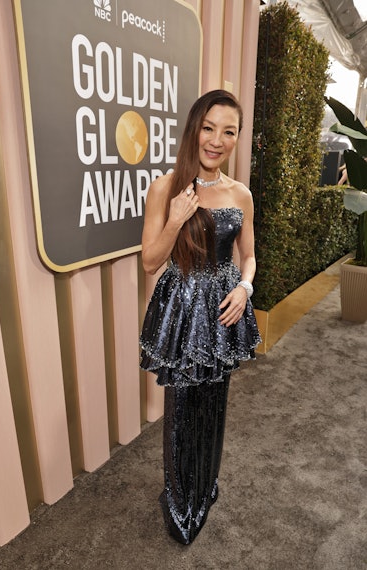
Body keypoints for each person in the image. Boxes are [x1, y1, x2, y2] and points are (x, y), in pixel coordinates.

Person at [140, 89, 261, 545]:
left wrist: (245, 288)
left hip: (223, 311)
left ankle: (204, 486)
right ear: (194, 128)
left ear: (236, 138)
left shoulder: (240, 194)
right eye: (209, 128)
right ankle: (178, 499)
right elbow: (151, 262)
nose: (217, 140)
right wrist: (175, 219)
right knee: (181, 409)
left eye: (228, 131)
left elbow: (248, 257)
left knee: (215, 402)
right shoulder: (165, 187)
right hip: (183, 309)